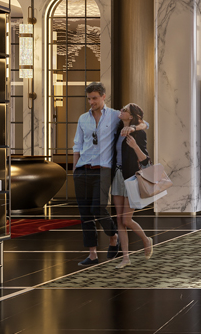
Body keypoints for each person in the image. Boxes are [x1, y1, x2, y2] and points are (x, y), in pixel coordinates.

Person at [72, 82, 148, 267]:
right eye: (89, 99)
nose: (91, 102)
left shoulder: (115, 115)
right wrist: (75, 169)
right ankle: (92, 254)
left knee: (98, 208)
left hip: (104, 170)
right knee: (85, 214)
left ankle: (113, 236)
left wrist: (133, 128)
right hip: (82, 169)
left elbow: (144, 123)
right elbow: (77, 145)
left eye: (94, 98)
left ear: (103, 96)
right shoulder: (83, 119)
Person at [109, 103, 154, 267]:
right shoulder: (118, 130)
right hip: (117, 176)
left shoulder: (139, 133)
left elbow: (145, 160)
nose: (121, 111)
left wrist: (134, 146)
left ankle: (146, 240)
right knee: (119, 220)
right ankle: (126, 258)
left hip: (131, 178)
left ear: (132, 116)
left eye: (125, 110)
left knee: (126, 220)